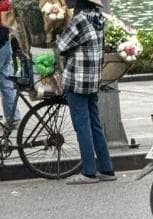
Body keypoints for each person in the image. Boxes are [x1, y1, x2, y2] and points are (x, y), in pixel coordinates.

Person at [56, 0, 116, 185]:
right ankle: (107, 168)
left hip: (77, 81)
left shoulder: (80, 20)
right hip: (93, 80)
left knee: (82, 126)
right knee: (94, 124)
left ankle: (89, 172)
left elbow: (61, 46)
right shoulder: (99, 18)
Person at [0, 0, 21, 128]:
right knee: (6, 80)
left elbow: (4, 20)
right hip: (4, 43)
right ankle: (13, 118)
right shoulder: (5, 2)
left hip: (2, 43)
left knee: (6, 80)